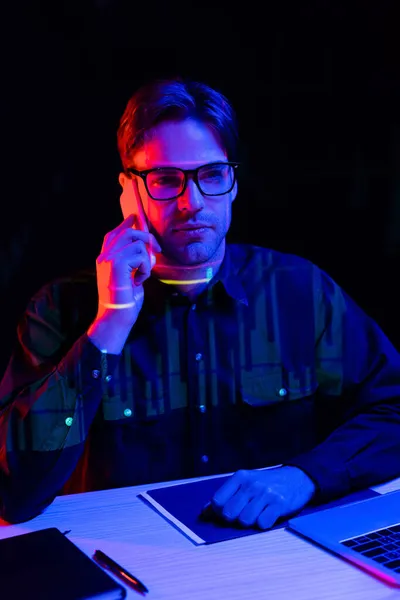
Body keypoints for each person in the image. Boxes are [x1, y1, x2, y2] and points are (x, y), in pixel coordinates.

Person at [1, 78, 400, 527]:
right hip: (128, 567)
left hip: (275, 563)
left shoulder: (298, 292)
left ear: (232, 184)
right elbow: (14, 495)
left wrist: (305, 476)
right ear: (128, 191)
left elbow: (395, 407)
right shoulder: (59, 309)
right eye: (165, 180)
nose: (192, 202)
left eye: (211, 175)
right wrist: (108, 325)